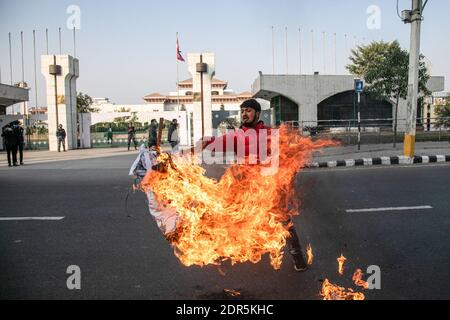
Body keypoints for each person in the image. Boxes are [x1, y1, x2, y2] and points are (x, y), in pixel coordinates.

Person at [202, 99, 308, 272]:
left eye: (248, 110)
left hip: (269, 187)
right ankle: (219, 251)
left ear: (257, 114)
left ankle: (298, 256)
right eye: (242, 110)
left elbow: (285, 156)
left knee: (283, 221)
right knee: (226, 215)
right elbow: (212, 144)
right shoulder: (236, 136)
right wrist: (199, 144)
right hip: (244, 188)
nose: (244, 113)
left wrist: (284, 180)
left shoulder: (270, 134)